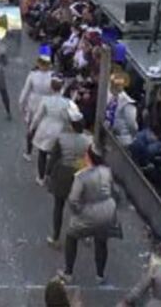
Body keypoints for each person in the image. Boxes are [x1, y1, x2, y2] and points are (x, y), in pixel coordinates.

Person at [58, 144, 120, 285]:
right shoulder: (107, 172)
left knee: (71, 235)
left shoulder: (81, 177)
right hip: (107, 210)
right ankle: (100, 274)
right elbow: (115, 191)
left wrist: (79, 211)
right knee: (101, 241)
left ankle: (68, 272)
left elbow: (73, 200)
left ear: (89, 157)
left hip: (89, 211)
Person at [46, 105, 91, 248]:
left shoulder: (62, 138)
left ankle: (55, 237)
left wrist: (47, 173)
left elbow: (54, 158)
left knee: (58, 206)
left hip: (63, 174)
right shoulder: (88, 140)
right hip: (81, 174)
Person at [30, 75, 72, 185]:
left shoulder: (46, 100)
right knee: (56, 154)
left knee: (42, 153)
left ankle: (41, 177)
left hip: (46, 127)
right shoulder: (67, 103)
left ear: (51, 87)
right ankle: (50, 175)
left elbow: (38, 116)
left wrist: (32, 127)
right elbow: (69, 118)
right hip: (59, 129)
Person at [19, 47, 54, 161]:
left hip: (34, 105)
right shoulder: (53, 77)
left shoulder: (33, 75)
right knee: (46, 130)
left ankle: (28, 152)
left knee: (31, 129)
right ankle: (45, 151)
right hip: (48, 106)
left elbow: (25, 91)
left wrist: (22, 106)